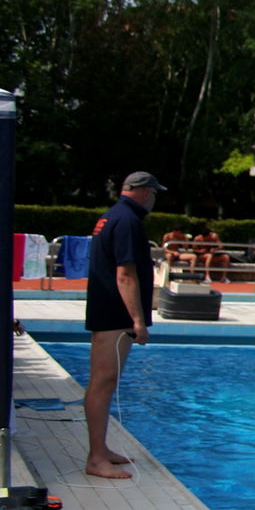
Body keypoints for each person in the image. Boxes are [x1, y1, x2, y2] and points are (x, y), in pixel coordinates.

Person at [83, 171, 164, 479]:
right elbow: (125, 275)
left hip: (108, 313)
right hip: (115, 316)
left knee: (103, 382)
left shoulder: (112, 217)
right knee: (103, 383)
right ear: (144, 192)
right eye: (154, 194)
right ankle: (95, 458)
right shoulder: (128, 222)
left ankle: (101, 450)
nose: (154, 200)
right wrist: (138, 321)